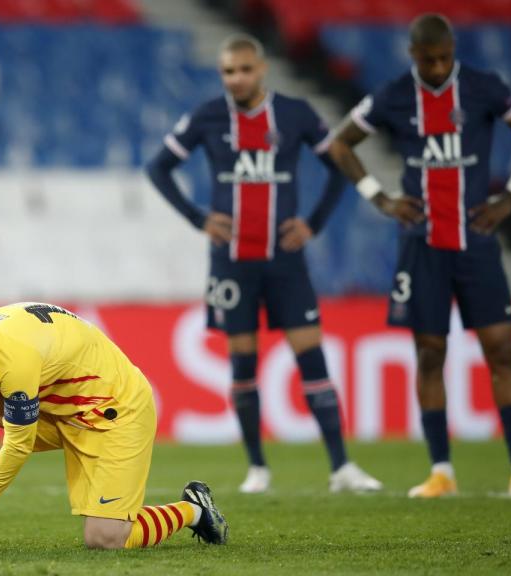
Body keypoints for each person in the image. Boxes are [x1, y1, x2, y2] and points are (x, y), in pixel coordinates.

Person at [327, 13, 511, 498]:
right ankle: (441, 472)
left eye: (444, 58)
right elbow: (341, 143)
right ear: (413, 56)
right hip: (422, 244)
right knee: (429, 354)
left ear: (453, 52)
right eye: (428, 59)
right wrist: (380, 197)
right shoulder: (393, 94)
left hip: (476, 240)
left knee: (501, 350)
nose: (437, 67)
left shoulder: (483, 87)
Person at [145, 34, 381, 494]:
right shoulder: (208, 116)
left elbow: (340, 162)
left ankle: (342, 467)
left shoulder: (294, 113)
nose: (236, 79)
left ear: (262, 68)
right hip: (232, 264)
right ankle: (257, 468)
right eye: (228, 72)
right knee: (242, 365)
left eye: (244, 70)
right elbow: (158, 168)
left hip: (285, 260)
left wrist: (312, 223)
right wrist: (198, 218)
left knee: (311, 357)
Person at [0, 302, 229, 549]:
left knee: (105, 538)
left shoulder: (14, 359)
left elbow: (18, 447)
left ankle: (195, 510)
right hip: (61, 411)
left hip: (117, 412)